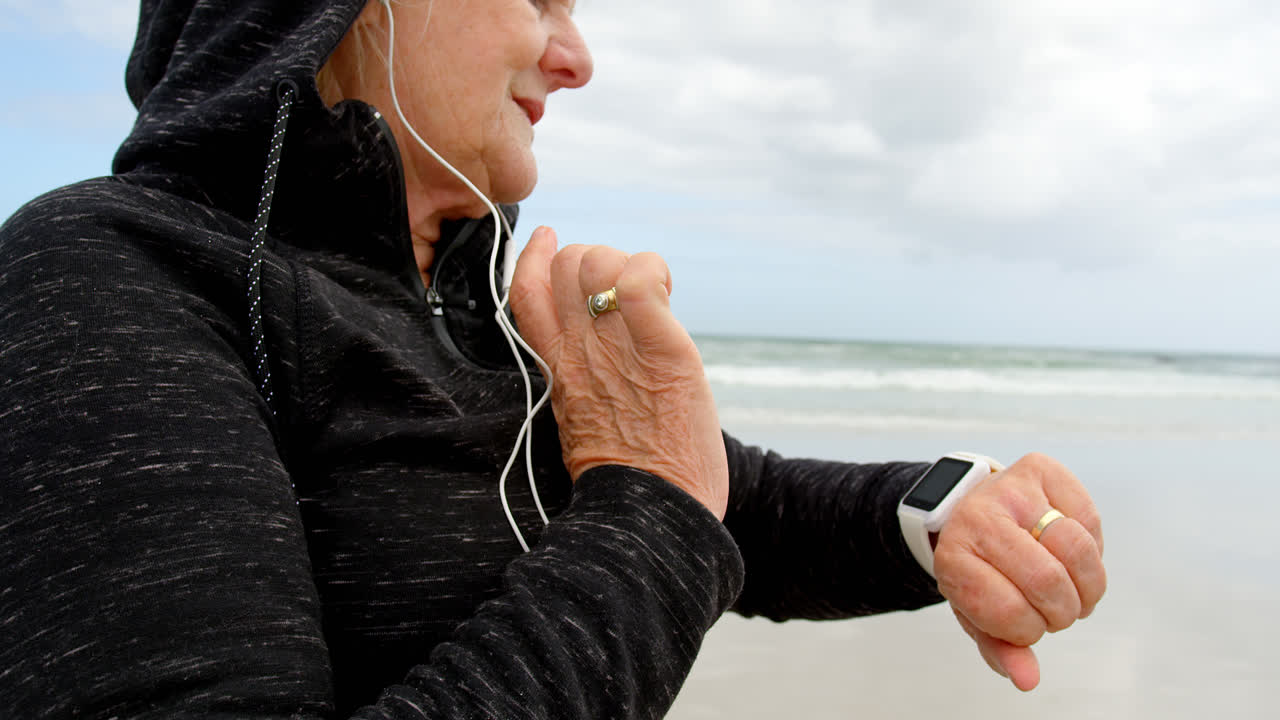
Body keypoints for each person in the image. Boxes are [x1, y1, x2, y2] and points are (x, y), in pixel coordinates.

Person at [0, 0, 1105, 717]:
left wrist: (939, 517)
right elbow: (667, 500)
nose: (574, 58)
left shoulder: (471, 299)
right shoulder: (105, 272)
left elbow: (731, 500)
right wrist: (653, 497)